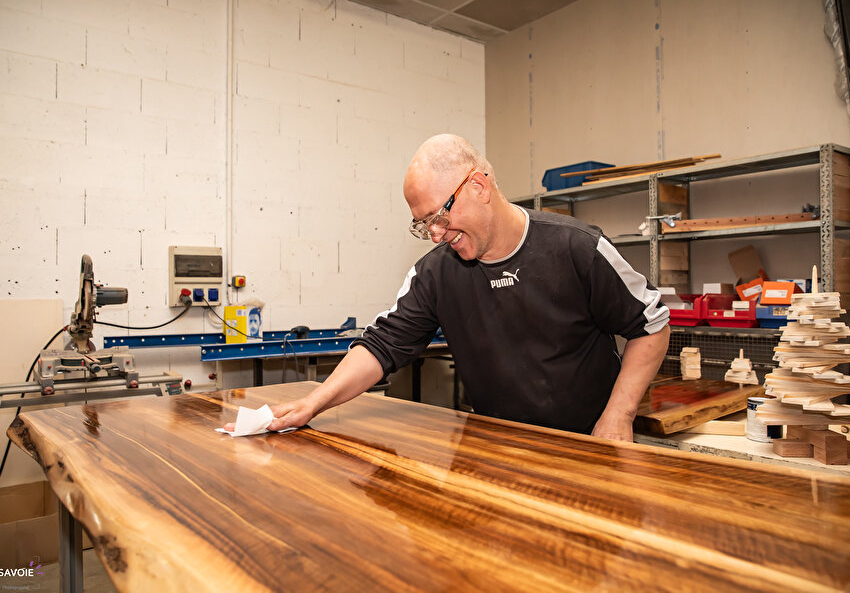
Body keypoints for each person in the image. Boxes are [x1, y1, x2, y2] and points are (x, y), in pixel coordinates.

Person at [259, 134, 670, 442]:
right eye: (423, 225)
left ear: (478, 186)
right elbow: (381, 346)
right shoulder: (435, 274)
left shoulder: (576, 247)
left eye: (438, 216)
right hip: (493, 442)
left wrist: (618, 415)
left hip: (583, 442)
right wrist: (315, 401)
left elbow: (651, 323)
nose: (435, 234)